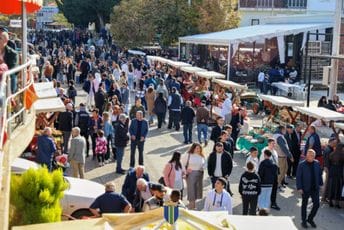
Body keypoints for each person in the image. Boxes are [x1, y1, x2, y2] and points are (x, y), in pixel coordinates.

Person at [297, 149, 323, 228]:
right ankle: (303, 221)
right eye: (309, 155)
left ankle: (310, 219)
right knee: (304, 205)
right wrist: (299, 187)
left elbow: (319, 174)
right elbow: (298, 177)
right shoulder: (301, 164)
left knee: (317, 204)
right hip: (305, 188)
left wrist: (321, 184)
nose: (310, 157)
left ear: (314, 156)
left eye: (312, 155)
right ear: (306, 156)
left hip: (315, 188)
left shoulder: (317, 163)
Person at [181, 143, 206, 210]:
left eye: (199, 148)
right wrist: (186, 171)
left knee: (197, 190)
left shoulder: (202, 155)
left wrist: (203, 168)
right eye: (197, 148)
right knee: (191, 190)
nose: (198, 150)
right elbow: (182, 164)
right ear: (193, 148)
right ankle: (191, 206)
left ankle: (193, 206)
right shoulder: (188, 154)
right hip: (191, 175)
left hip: (200, 174)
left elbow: (205, 163)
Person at [260, 138, 280, 210]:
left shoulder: (275, 152)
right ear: (268, 143)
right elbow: (261, 163)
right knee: (265, 190)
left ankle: (273, 203)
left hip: (274, 174)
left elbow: (276, 162)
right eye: (272, 143)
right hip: (266, 175)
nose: (274, 145)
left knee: (274, 189)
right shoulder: (264, 152)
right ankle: (261, 205)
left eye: (274, 143)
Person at [0, 28, 18, 92]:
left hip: (6, 81)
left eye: (0, 38)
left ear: (6, 41)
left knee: (13, 78)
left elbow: (12, 72)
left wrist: (3, 63)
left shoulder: (12, 54)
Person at [328, 143, 344, 208]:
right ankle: (337, 203)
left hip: (332, 170)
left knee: (332, 186)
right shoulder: (343, 155)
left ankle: (330, 202)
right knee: (339, 187)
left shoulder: (331, 154)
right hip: (339, 171)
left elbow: (329, 162)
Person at [322, 137, 337, 203]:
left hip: (327, 167)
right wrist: (326, 168)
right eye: (334, 143)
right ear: (331, 142)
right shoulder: (328, 149)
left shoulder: (328, 148)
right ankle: (324, 198)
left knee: (327, 183)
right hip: (328, 168)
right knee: (327, 183)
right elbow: (327, 160)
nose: (335, 144)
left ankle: (324, 197)